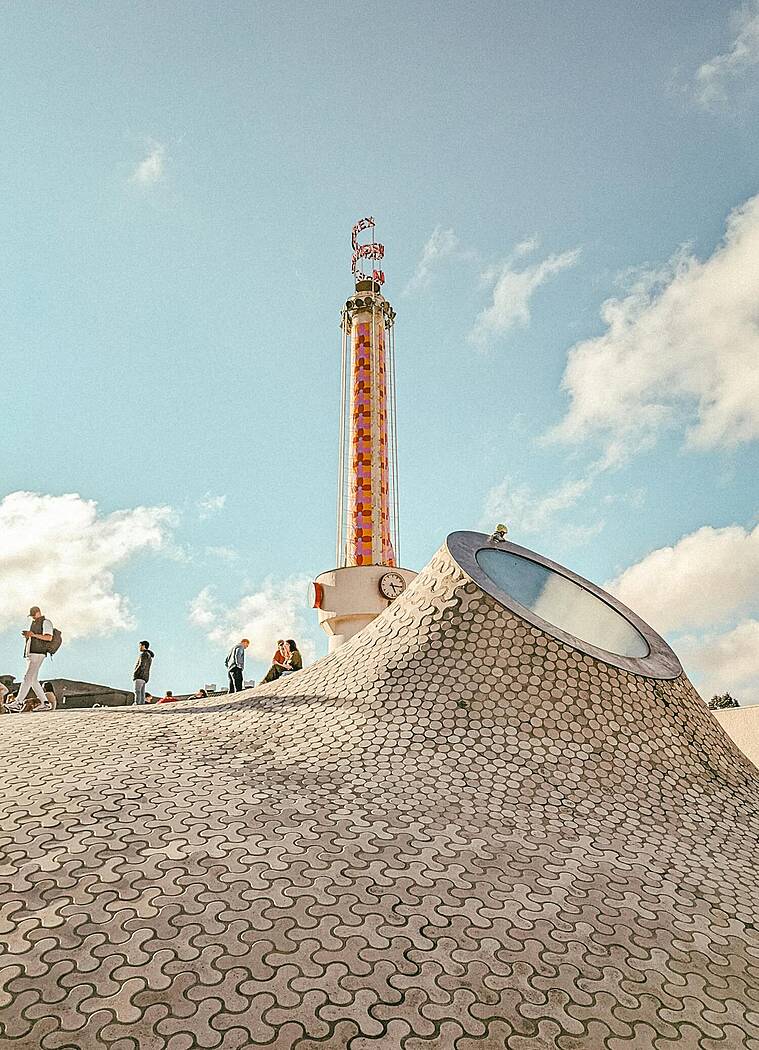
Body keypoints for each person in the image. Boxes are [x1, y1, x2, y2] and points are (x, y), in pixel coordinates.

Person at [16, 606, 54, 711]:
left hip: (38, 653)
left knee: (27, 677)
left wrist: (33, 635)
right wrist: (29, 636)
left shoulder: (46, 622)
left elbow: (49, 637)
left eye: (33, 614)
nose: (32, 617)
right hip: (32, 653)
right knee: (33, 680)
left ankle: (18, 702)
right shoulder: (35, 623)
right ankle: (45, 703)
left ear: (38, 612)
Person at [132, 640, 154, 706]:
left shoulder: (143, 654)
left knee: (137, 691)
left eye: (140, 646)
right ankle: (141, 704)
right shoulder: (149, 655)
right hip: (145, 676)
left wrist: (135, 673)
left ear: (143, 646)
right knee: (142, 692)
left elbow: (141, 665)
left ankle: (137, 703)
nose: (139, 647)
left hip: (140, 675)